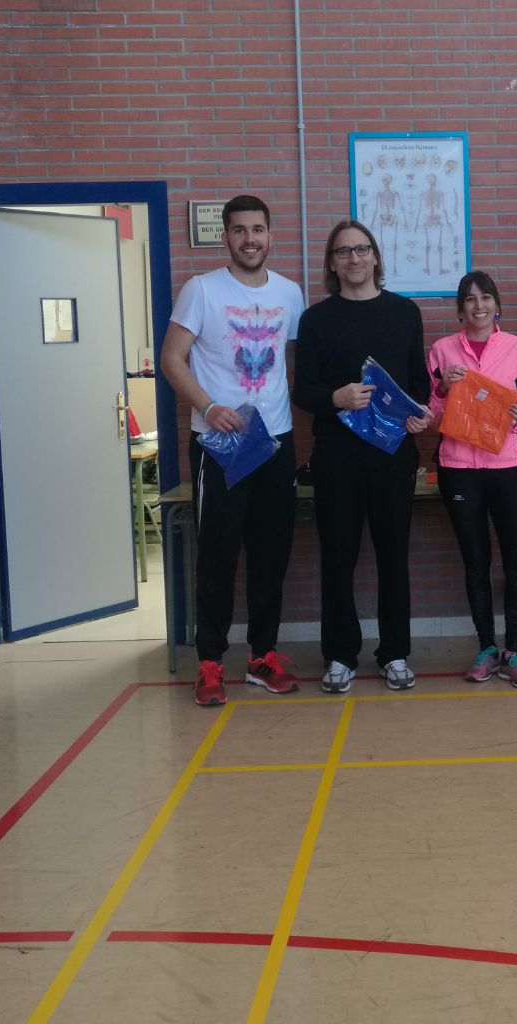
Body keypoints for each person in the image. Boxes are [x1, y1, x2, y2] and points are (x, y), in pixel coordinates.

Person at [160, 194, 303, 707]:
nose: (249, 239)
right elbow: (171, 358)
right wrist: (208, 405)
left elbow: (290, 364)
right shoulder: (201, 290)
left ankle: (263, 657)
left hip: (275, 442)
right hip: (220, 444)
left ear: (270, 235)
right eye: (239, 230)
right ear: (226, 236)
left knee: (271, 555)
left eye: (257, 230)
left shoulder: (290, 293)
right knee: (218, 556)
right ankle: (211, 663)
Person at [293, 220, 430, 693]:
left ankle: (395, 653)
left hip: (393, 455)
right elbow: (303, 391)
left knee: (394, 555)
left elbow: (419, 384)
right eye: (343, 251)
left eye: (361, 249)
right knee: (338, 557)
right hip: (337, 457)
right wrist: (335, 398)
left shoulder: (405, 312)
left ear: (375, 256)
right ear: (332, 263)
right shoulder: (315, 319)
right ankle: (339, 655)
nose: (353, 258)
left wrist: (417, 414)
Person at [427, 272, 517, 688]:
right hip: (459, 468)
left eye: (486, 298)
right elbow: (431, 415)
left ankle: (514, 651)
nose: (478, 305)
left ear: (497, 305)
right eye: (470, 299)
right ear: (460, 308)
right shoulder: (442, 350)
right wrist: (443, 389)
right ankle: (485, 648)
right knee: (475, 561)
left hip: (508, 468)